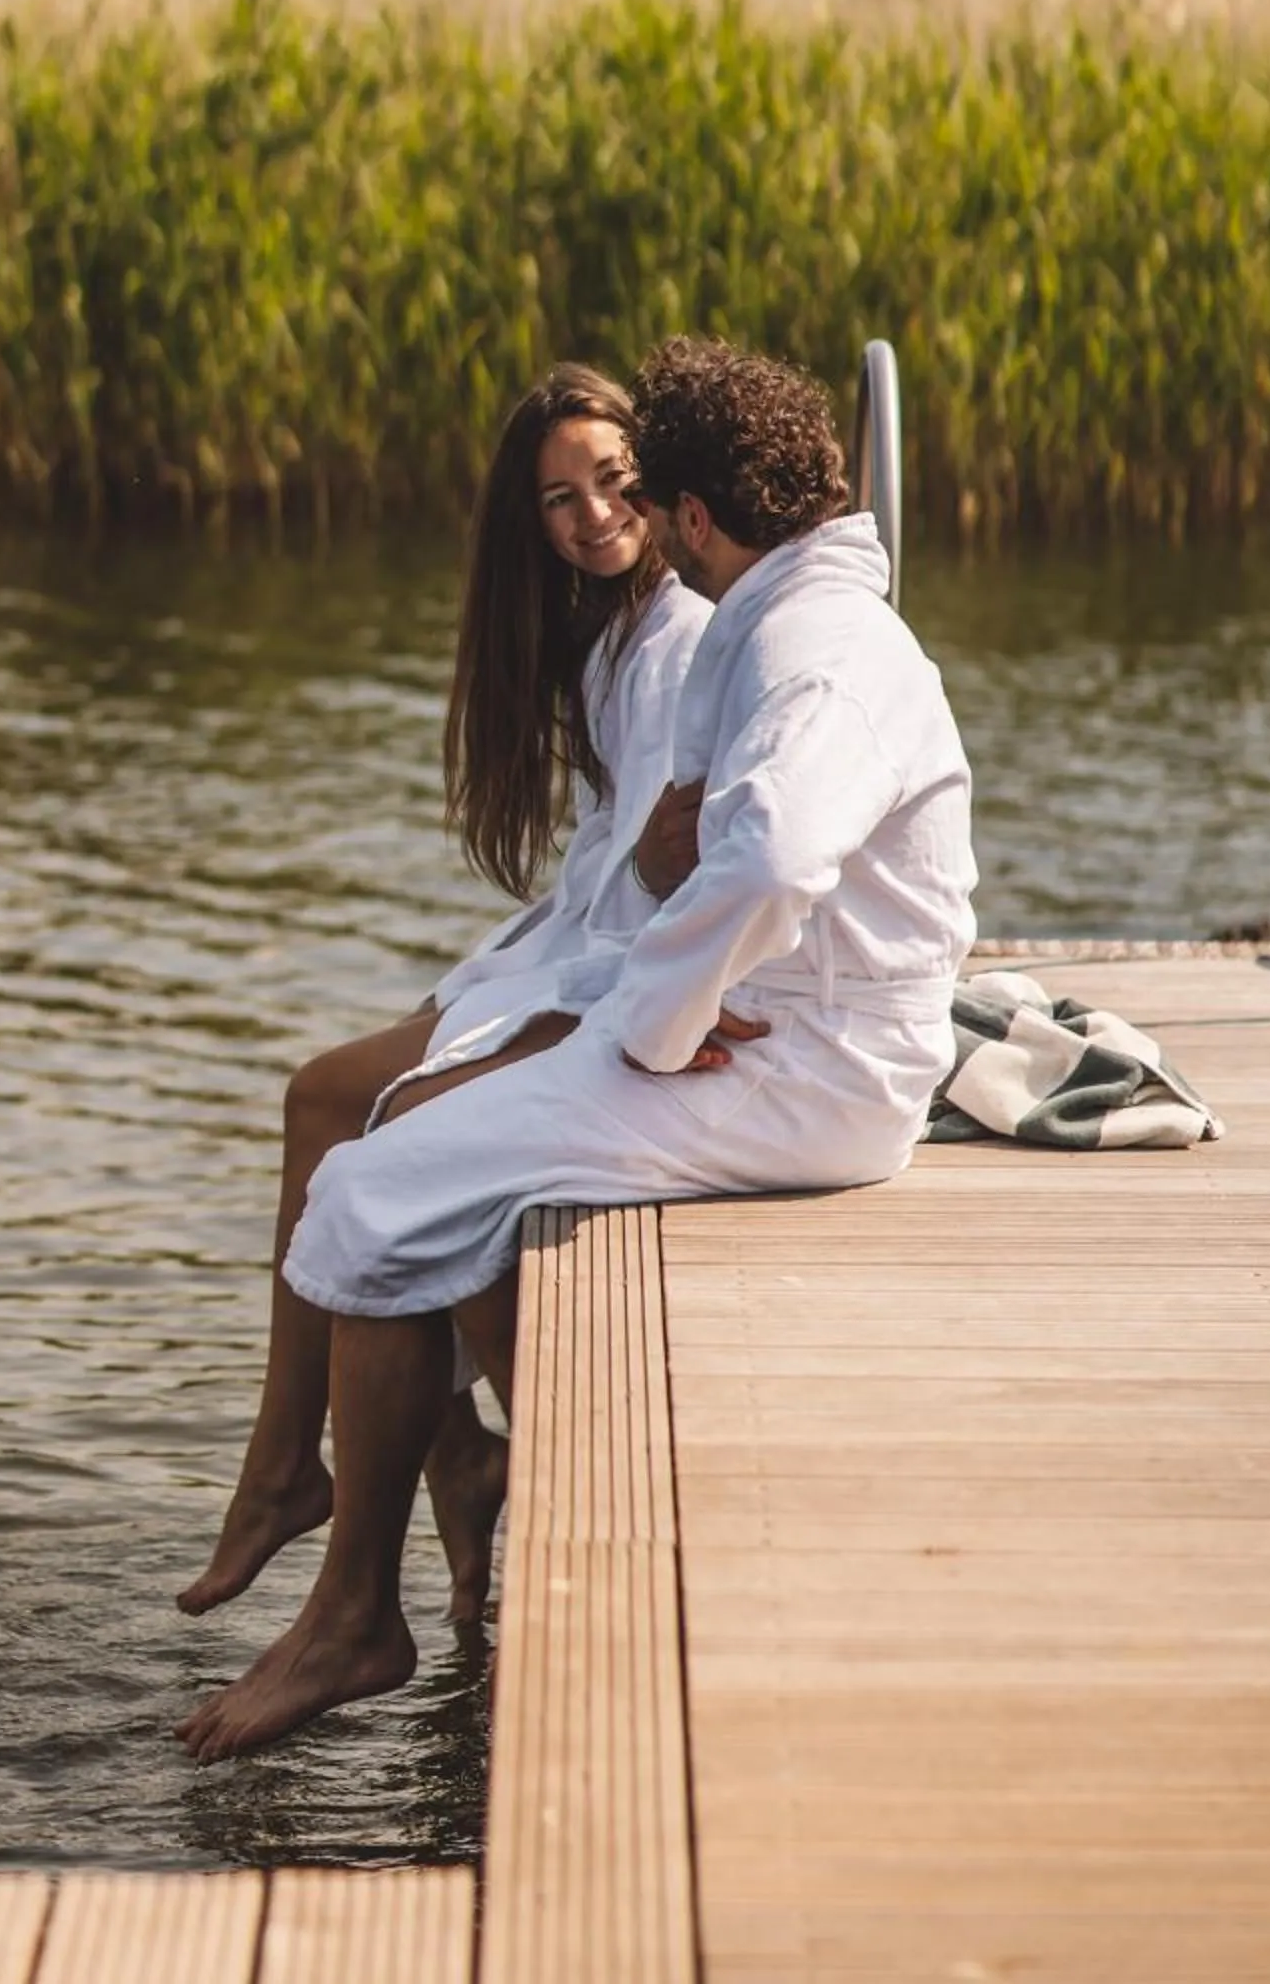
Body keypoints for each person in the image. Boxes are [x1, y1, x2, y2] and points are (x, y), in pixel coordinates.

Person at [176, 335, 978, 1761]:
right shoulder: (788, 619)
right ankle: (404, 1532)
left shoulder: (816, 648)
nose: (635, 530)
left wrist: (654, 1025)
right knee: (391, 1170)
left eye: (646, 496)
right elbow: (725, 854)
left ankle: (360, 1607)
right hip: (780, 1042)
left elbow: (775, 852)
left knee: (377, 1179)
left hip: (807, 1077)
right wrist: (670, 975)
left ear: (696, 514)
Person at [177, 363, 711, 1625]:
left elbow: (668, 868)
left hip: (619, 980)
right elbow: (622, 856)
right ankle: (428, 1458)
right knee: (326, 1103)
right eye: (557, 498)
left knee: (357, 1108)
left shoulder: (680, 638)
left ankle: (285, 1477)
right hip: (576, 951)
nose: (591, 515)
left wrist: (626, 888)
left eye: (612, 480)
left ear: (658, 478)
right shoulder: (611, 641)